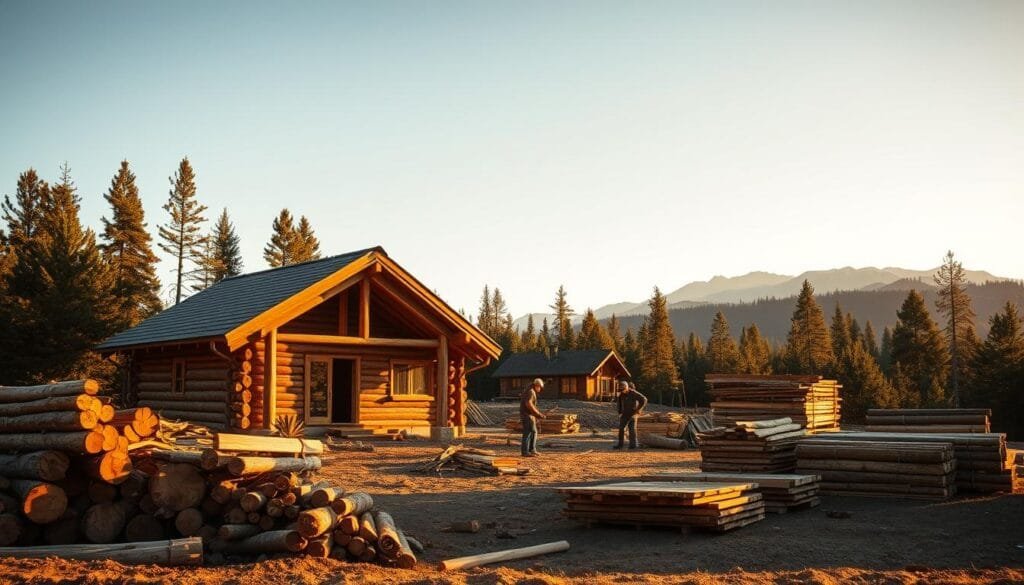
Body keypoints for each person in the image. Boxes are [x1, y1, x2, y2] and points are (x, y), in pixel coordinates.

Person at [614, 380, 648, 449]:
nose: (622, 391)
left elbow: (644, 399)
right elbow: (619, 403)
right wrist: (620, 412)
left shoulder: (633, 393)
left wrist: (638, 409)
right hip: (624, 414)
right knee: (621, 429)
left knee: (632, 430)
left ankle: (633, 445)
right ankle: (620, 445)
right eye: (621, 390)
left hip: (633, 414)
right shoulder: (621, 394)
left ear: (626, 387)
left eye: (623, 389)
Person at [520, 378, 547, 457]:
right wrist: (538, 414)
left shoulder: (530, 390)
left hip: (529, 416)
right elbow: (529, 404)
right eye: (540, 388)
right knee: (528, 433)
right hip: (527, 416)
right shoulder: (531, 392)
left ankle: (532, 450)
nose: (540, 389)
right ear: (537, 385)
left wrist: (536, 415)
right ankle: (525, 452)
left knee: (534, 432)